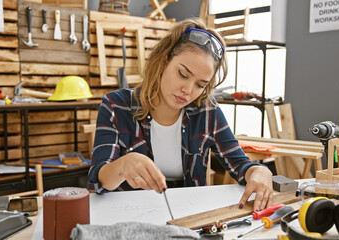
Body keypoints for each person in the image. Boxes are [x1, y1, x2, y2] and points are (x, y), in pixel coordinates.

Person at [88, 18, 273, 211]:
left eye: (201, 85)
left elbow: (240, 165)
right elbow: (97, 181)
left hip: (189, 216)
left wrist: (259, 171)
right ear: (163, 61)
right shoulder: (116, 106)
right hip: (131, 214)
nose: (188, 90)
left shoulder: (208, 111)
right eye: (183, 74)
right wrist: (122, 166)